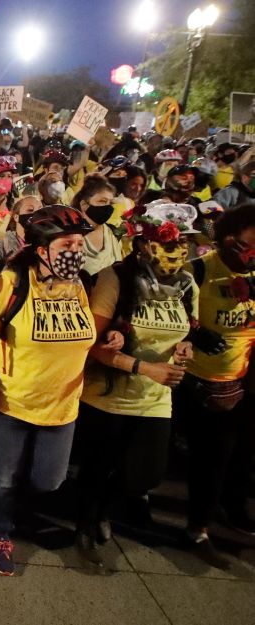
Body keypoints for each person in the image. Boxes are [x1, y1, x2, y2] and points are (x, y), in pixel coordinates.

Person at [0, 205, 117, 577]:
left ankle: (13, 507)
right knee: (4, 475)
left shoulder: (80, 284)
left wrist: (119, 335)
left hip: (64, 405)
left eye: (80, 243)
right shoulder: (11, 283)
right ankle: (0, 533)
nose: (76, 250)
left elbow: (89, 333)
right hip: (12, 401)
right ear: (42, 250)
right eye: (67, 243)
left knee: (48, 480)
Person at [74, 201, 200, 566]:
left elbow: (187, 330)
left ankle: (103, 509)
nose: (177, 251)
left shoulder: (186, 282)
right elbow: (92, 344)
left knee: (146, 473)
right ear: (144, 242)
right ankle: (85, 522)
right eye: (168, 242)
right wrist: (145, 368)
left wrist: (184, 347)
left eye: (183, 243)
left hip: (156, 397)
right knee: (98, 466)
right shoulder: (117, 278)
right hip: (109, 395)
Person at [174, 203, 255, 566]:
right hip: (189, 379)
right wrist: (197, 331)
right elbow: (172, 311)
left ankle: (201, 525)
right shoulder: (199, 270)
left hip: (236, 383)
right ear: (227, 240)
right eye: (249, 243)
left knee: (221, 458)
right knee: (175, 454)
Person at [0, 182, 42, 275]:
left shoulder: (48, 245)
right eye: (30, 210)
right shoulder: (2, 247)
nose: (36, 214)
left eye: (40, 210)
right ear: (16, 217)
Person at [70, 174, 122, 275]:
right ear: (84, 205)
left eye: (110, 203)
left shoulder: (112, 233)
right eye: (102, 201)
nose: (108, 207)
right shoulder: (69, 236)